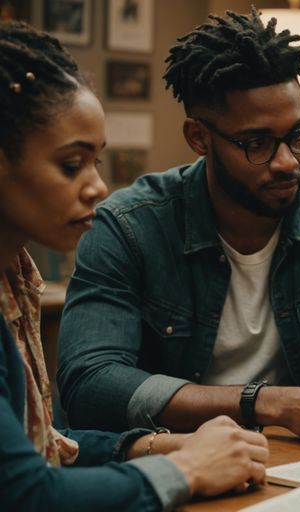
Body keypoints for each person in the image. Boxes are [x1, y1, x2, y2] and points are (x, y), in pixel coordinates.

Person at [57, 7, 300, 445]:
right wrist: (269, 403)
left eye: (297, 134)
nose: (286, 162)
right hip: (174, 457)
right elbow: (90, 382)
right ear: (198, 138)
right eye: (257, 143)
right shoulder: (129, 226)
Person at [0, 20, 267, 510]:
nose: (98, 187)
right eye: (70, 164)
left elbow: (41, 447)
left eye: (96, 162)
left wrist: (155, 445)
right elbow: (24, 494)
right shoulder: (125, 225)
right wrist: (185, 469)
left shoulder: (12, 281)